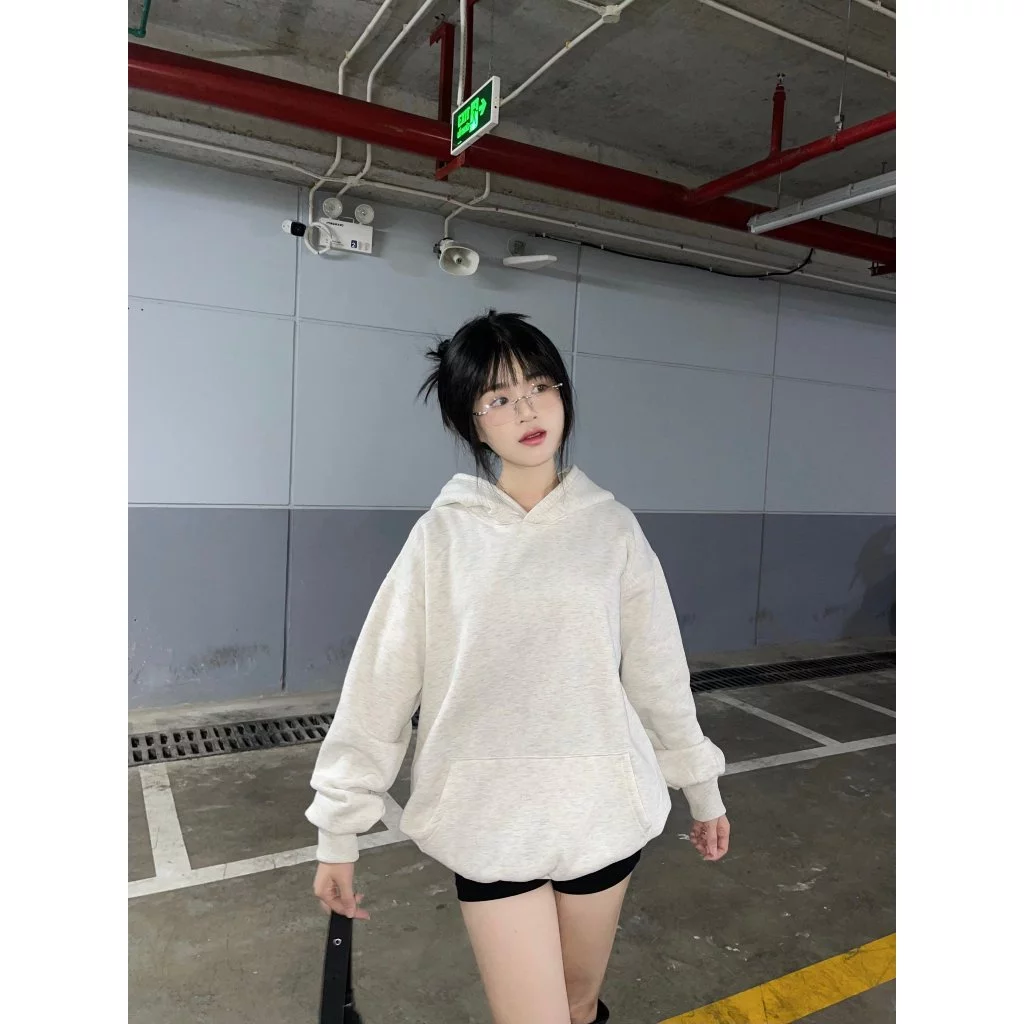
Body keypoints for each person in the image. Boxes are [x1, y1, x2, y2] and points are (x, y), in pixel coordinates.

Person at [308, 311, 730, 1024]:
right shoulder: (443, 536)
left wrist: (702, 786)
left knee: (578, 1005)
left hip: (598, 809)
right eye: (499, 398)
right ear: (472, 423)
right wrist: (338, 828)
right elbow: (381, 680)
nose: (528, 411)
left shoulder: (613, 529)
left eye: (539, 387)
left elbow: (657, 672)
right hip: (488, 817)